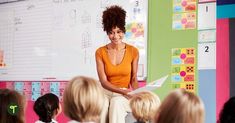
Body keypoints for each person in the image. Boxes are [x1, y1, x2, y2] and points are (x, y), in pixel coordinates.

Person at [95, 5, 139, 123]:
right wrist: (122, 91)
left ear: (123, 31)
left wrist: (136, 94)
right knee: (103, 105)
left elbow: (134, 78)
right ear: (107, 33)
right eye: (111, 32)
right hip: (106, 92)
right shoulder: (100, 52)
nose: (115, 36)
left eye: (118, 31)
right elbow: (103, 82)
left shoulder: (133, 51)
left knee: (116, 102)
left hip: (123, 94)